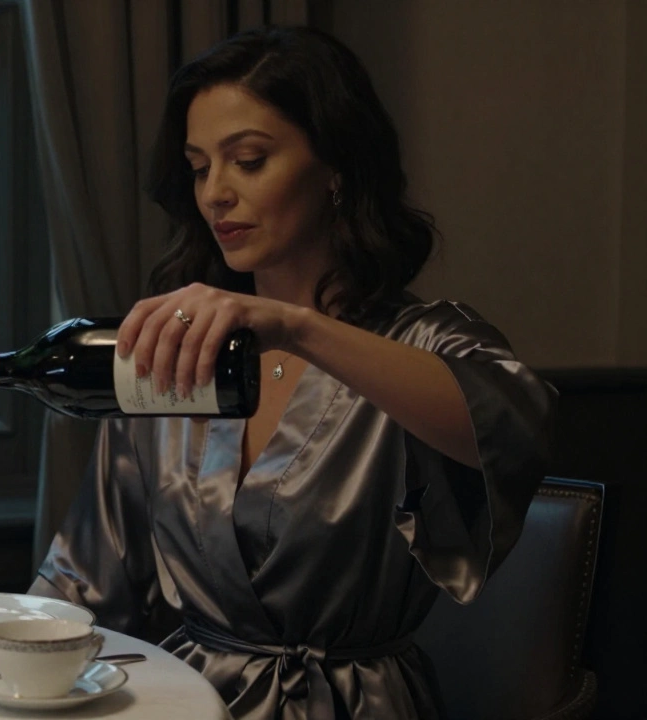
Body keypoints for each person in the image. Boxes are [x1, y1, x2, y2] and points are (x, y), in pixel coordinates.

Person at [28, 25, 555, 720]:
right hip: (188, 704)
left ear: (336, 168)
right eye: (198, 166)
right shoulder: (175, 357)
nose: (215, 192)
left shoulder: (421, 340)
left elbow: (512, 431)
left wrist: (296, 326)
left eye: (247, 160)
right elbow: (80, 588)